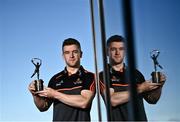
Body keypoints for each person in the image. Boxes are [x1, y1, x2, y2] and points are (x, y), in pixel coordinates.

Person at [99, 35, 166, 121]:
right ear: (107, 52)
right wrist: (141, 88)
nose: (117, 52)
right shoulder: (103, 75)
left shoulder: (136, 73)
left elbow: (152, 100)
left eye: (121, 49)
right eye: (113, 49)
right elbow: (112, 100)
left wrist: (159, 85)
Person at [28, 38, 95, 121]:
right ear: (63, 56)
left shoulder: (90, 76)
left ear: (81, 54)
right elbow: (43, 107)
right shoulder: (55, 79)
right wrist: (35, 94)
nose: (71, 55)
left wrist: (55, 94)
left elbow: (84, 102)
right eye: (67, 52)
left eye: (75, 52)